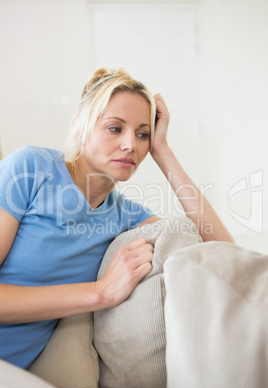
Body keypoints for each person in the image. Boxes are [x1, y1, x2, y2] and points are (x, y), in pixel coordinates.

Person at [0, 67, 234, 370]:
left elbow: (225, 254)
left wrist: (163, 152)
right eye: (114, 128)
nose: (130, 145)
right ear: (80, 126)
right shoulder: (29, 168)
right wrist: (100, 293)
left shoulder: (124, 216)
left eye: (142, 134)